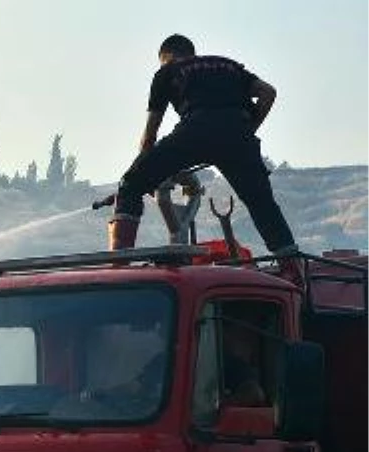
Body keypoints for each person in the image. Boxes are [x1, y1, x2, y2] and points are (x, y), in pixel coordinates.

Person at [108, 35, 301, 278]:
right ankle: (293, 272)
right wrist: (247, 130)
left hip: (195, 129)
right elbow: (268, 93)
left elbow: (149, 138)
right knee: (262, 204)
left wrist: (142, 174)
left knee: (130, 186)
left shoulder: (168, 71)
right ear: (192, 52)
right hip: (239, 135)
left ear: (166, 57)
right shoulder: (228, 65)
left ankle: (117, 270)